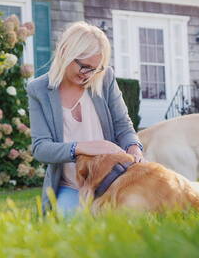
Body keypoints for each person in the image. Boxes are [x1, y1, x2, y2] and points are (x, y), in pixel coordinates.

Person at [26, 21, 143, 216]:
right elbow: (41, 148)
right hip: (72, 187)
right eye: (85, 66)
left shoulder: (104, 78)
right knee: (74, 230)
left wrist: (134, 148)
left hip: (115, 181)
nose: (89, 75)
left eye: (95, 69)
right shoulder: (38, 90)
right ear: (65, 52)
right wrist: (80, 147)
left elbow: (124, 126)